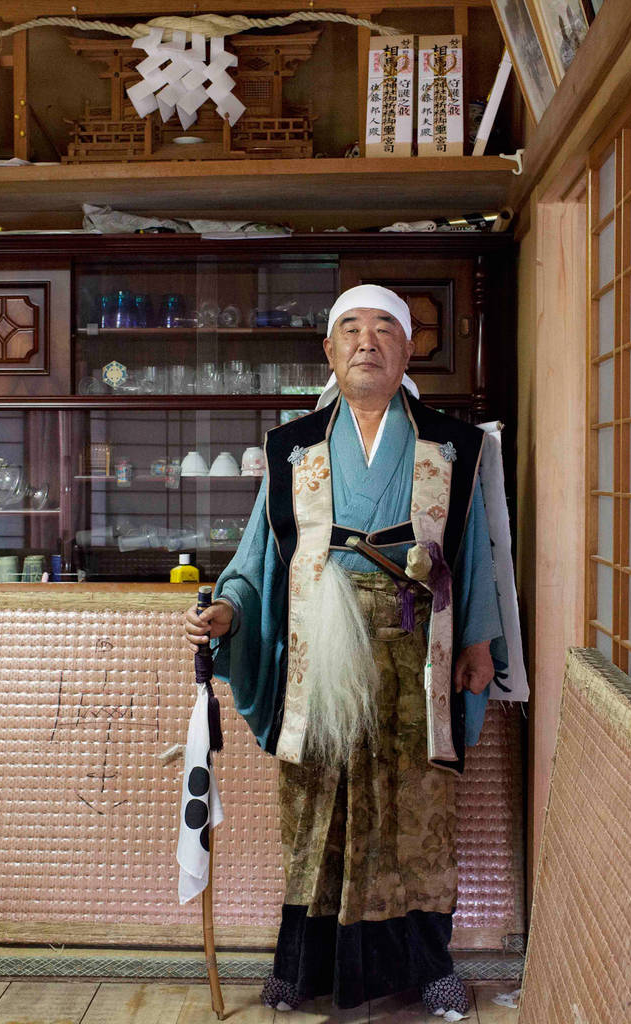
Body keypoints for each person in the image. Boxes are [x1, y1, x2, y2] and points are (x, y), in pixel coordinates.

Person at [184, 284, 506, 1019]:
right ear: (329, 351)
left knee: (417, 811)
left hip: (416, 649)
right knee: (317, 808)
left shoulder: (455, 446)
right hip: (318, 651)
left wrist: (480, 640)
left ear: (408, 348)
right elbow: (259, 554)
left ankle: (428, 968)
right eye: (351, 330)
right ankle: (301, 969)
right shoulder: (291, 447)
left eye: (385, 329)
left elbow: (475, 552)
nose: (368, 341)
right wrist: (229, 609)